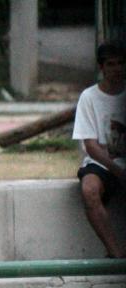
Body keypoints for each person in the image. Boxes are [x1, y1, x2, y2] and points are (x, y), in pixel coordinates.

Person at [72, 41, 126, 258]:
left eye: (121, 64)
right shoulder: (89, 97)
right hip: (102, 163)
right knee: (89, 190)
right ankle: (116, 252)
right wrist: (117, 170)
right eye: (111, 64)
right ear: (101, 67)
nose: (117, 69)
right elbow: (91, 146)